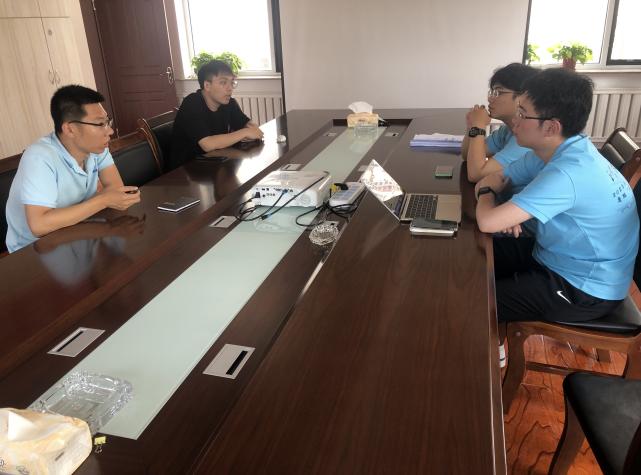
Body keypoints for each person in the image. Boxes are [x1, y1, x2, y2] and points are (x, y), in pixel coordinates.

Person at [475, 68, 638, 326]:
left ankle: (488, 342)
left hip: (584, 288)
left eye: (522, 113)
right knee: (474, 256)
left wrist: (489, 194)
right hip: (555, 255)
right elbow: (490, 180)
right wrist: (498, 201)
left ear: (551, 127)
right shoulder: (556, 149)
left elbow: (488, 218)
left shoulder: (568, 173)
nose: (514, 121)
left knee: (472, 300)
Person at [5, 85, 140, 253]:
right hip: (33, 251)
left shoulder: (97, 148)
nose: (110, 131)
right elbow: (39, 226)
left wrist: (107, 198)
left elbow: (116, 190)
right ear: (70, 129)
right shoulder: (39, 157)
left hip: (78, 232)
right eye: (100, 124)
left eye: (107, 122)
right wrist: (103, 200)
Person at [169, 60, 264, 171]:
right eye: (223, 82)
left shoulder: (228, 103)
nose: (230, 88)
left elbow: (250, 126)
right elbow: (207, 144)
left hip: (214, 165)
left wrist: (249, 130)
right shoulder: (192, 103)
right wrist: (245, 133)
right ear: (207, 85)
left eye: (232, 82)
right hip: (184, 172)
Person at [462, 63, 539, 183]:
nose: (490, 98)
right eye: (492, 92)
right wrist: (472, 125)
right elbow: (467, 155)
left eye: (498, 92)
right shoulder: (506, 131)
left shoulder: (528, 138)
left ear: (523, 96)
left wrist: (478, 126)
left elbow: (476, 174)